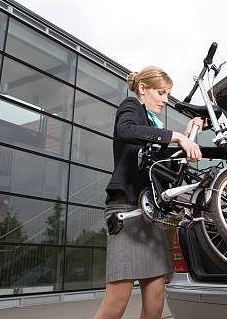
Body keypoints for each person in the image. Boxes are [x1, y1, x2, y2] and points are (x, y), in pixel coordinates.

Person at [94, 66, 203, 319]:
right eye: (161, 92)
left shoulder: (154, 125)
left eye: (168, 94)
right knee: (117, 300)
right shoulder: (131, 107)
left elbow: (163, 167)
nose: (166, 100)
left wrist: (187, 136)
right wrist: (177, 136)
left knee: (155, 300)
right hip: (126, 209)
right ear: (143, 89)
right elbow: (127, 130)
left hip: (151, 212)